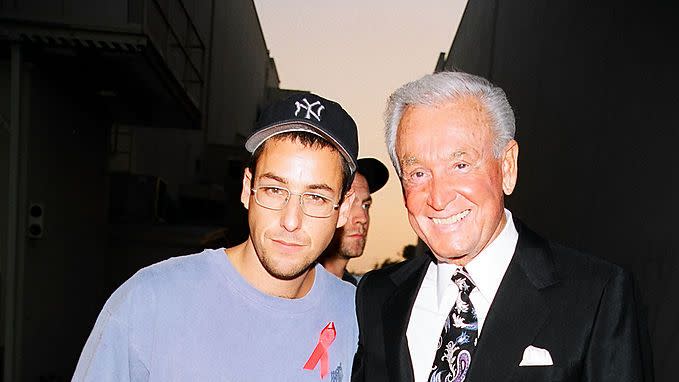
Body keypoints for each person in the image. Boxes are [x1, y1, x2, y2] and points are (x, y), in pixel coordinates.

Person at [351, 71, 650, 382]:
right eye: (418, 174)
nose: (438, 198)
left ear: (507, 167)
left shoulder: (596, 294)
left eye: (460, 165)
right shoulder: (378, 296)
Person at [74, 93, 361, 381]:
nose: (290, 220)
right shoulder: (150, 302)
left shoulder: (359, 319)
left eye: (315, 197)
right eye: (274, 190)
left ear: (344, 208)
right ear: (247, 187)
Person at [320, 157, 389, 285]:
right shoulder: (290, 290)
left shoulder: (360, 296)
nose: (363, 218)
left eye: (365, 205)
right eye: (349, 203)